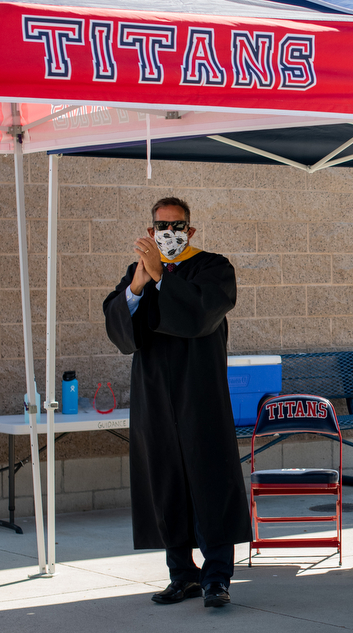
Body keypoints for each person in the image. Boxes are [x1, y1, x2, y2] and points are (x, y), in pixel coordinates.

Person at [103, 197, 251, 608]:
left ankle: (217, 577)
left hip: (199, 393)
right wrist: (137, 286)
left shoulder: (213, 267)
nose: (170, 233)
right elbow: (119, 331)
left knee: (210, 480)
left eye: (178, 226)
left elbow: (202, 315)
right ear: (150, 232)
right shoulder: (138, 275)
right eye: (162, 226)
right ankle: (182, 574)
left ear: (191, 231)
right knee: (166, 481)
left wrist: (163, 278)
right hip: (154, 395)